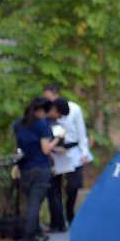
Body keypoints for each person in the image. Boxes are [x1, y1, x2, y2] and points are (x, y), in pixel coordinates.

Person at [43, 87, 93, 229]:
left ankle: (70, 212)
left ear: (57, 96)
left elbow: (81, 131)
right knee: (54, 187)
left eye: (49, 96)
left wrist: (84, 151)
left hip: (73, 150)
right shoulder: (46, 113)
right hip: (54, 151)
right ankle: (57, 221)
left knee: (74, 185)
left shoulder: (74, 109)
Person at [14, 96, 60, 241]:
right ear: (40, 111)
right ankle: (29, 236)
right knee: (35, 202)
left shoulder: (19, 124)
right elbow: (46, 149)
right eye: (45, 112)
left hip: (25, 167)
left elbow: (18, 147)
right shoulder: (42, 125)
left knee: (30, 201)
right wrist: (57, 139)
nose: (46, 116)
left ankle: (36, 231)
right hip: (40, 167)